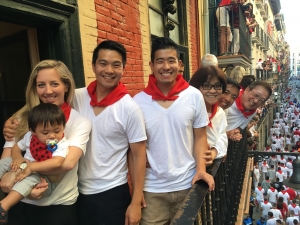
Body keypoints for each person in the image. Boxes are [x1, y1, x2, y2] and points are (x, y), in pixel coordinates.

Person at [133, 37, 214, 225]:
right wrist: (137, 194)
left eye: (171, 60)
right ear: (152, 65)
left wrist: (201, 170)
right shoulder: (138, 102)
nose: (166, 66)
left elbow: (200, 137)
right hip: (152, 189)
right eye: (160, 61)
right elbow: (135, 149)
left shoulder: (193, 96)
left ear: (180, 64)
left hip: (188, 184)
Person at [2, 60, 92, 225]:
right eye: (41, 85)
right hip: (20, 206)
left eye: (54, 84)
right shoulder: (23, 118)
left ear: (66, 86)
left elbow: (63, 166)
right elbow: (7, 156)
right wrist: (12, 174)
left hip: (57, 206)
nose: (48, 91)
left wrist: (20, 171)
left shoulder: (79, 122)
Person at [73, 40, 147, 225]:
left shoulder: (130, 108)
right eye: (103, 63)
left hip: (112, 193)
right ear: (93, 65)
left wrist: (136, 200)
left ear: (123, 68)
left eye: (116, 65)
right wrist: (16, 121)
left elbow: (138, 155)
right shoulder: (76, 97)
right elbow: (46, 106)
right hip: (75, 191)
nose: (109, 70)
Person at [0, 103, 69, 223]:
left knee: (29, 179)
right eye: (45, 133)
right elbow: (16, 148)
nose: (52, 135)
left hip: (43, 177)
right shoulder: (30, 137)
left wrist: (30, 167)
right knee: (5, 162)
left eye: (57, 130)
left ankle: (3, 206)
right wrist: (18, 159)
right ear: (33, 131)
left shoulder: (61, 143)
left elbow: (57, 162)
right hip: (25, 165)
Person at [189, 66, 228, 162]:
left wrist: (214, 152)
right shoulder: (188, 112)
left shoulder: (220, 112)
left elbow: (222, 136)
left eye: (218, 86)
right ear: (196, 87)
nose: (213, 90)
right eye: (206, 85)